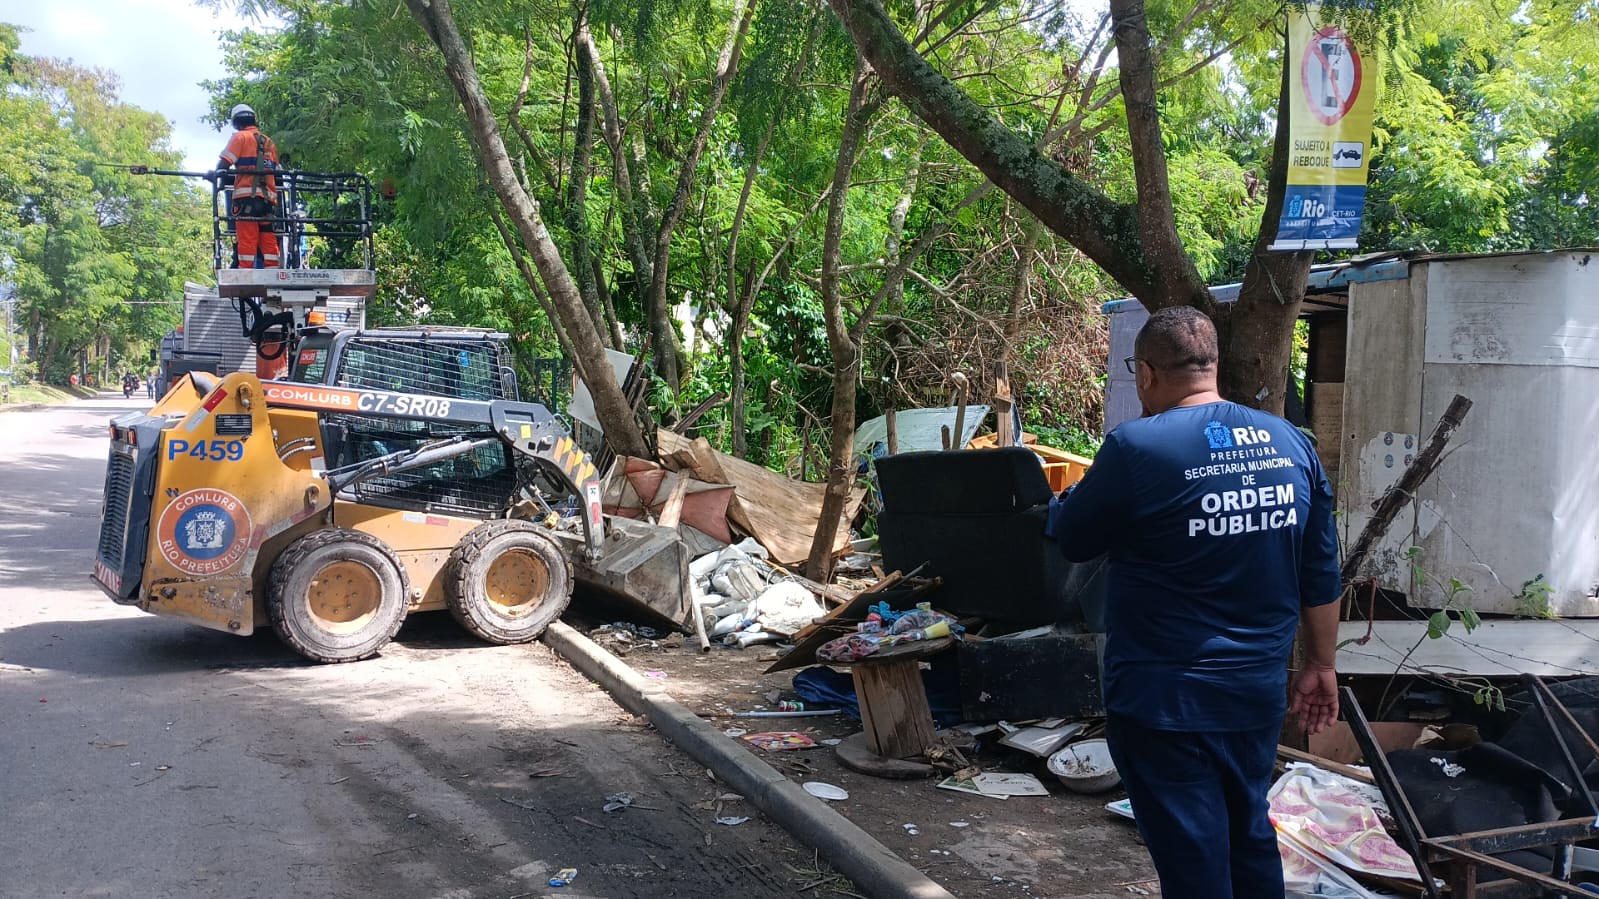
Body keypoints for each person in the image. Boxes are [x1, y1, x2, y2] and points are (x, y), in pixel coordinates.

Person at [1046, 306, 1341, 898]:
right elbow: (1320, 570)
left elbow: (1072, 537)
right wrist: (1321, 664)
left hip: (1164, 700)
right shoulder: (1289, 442)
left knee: (1193, 855)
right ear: (1213, 367)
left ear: (1147, 374)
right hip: (1254, 693)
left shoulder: (1135, 449)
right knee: (1248, 835)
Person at [213, 103, 280, 269]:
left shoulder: (240, 137)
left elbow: (224, 164)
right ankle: (272, 271)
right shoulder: (269, 142)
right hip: (267, 201)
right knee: (267, 237)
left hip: (246, 199)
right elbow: (277, 172)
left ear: (236, 123)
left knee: (247, 238)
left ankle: (245, 276)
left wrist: (215, 176)